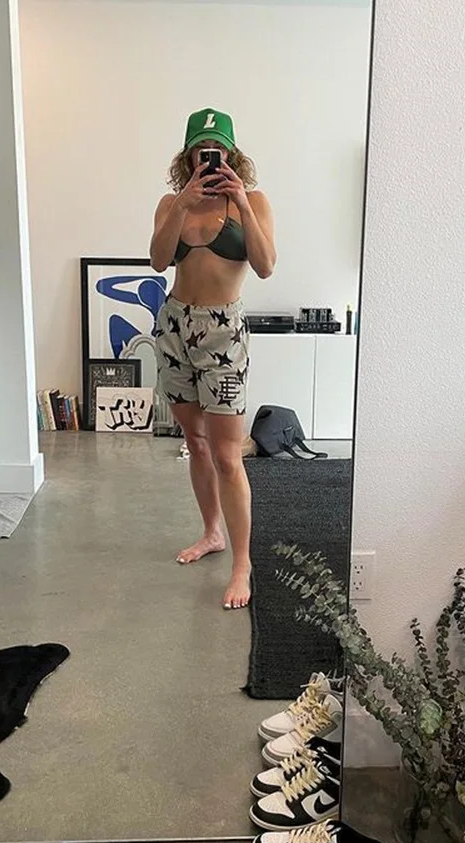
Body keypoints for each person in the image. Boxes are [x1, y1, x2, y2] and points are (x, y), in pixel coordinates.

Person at [150, 108, 276, 610]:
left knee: (227, 454)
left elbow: (265, 266)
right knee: (196, 444)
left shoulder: (254, 201)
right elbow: (159, 260)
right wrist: (182, 203)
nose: (210, 158)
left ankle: (242, 563)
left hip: (223, 332)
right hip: (175, 329)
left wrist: (241, 201)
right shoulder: (172, 203)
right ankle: (211, 533)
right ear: (187, 157)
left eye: (218, 150)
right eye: (201, 151)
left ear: (232, 154)